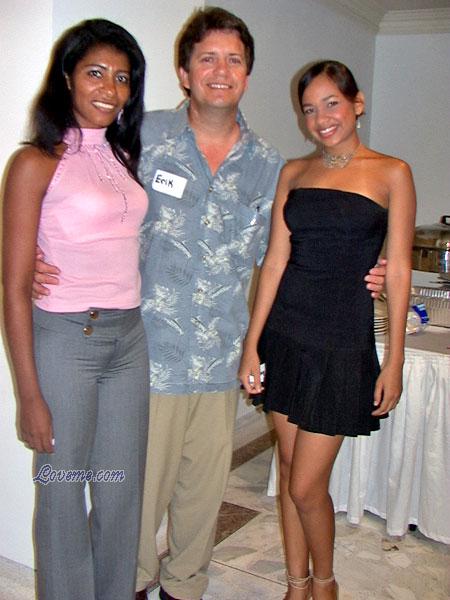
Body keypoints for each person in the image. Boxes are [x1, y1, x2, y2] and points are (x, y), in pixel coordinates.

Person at [31, 11, 386, 600]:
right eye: (208, 59)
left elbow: (293, 253)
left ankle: (184, 587)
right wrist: (29, 255)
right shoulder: (139, 136)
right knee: (135, 496)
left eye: (234, 60)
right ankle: (131, 584)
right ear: (184, 73)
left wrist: (369, 267)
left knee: (201, 498)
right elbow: (67, 184)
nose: (221, 71)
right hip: (143, 356)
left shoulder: (270, 165)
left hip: (223, 356)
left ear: (247, 74)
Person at [239, 60, 416, 600]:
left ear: (357, 103)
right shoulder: (293, 172)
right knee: (289, 464)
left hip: (341, 340)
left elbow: (399, 269)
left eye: (332, 104)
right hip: (286, 333)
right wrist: (251, 343)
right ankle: (296, 584)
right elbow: (274, 261)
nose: (321, 119)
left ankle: (325, 583)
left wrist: (395, 360)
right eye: (310, 109)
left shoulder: (392, 172)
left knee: (304, 484)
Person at [2, 19, 149, 600]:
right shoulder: (36, 162)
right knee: (63, 488)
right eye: (96, 73)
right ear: (66, 77)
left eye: (123, 78)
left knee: (120, 489)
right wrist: (29, 395)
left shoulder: (122, 153)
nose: (110, 89)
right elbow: (14, 285)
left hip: (129, 338)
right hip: (67, 339)